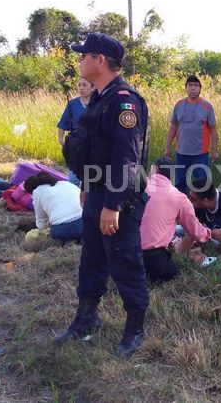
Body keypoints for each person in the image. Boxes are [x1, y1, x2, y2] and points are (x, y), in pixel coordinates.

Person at [55, 33, 151, 357]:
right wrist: (85, 184)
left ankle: (135, 328)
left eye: (84, 55)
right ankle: (86, 320)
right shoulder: (98, 98)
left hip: (120, 199)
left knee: (125, 260)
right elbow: (92, 149)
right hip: (97, 193)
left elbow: (127, 158)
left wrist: (112, 206)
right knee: (91, 258)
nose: (79, 60)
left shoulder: (125, 101)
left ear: (99, 60)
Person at [139, 156, 221, 283]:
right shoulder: (179, 198)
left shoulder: (135, 187)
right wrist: (210, 233)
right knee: (176, 274)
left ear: (155, 169)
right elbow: (195, 231)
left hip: (125, 252)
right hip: (153, 258)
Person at [163, 75, 219, 192]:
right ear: (186, 88)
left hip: (200, 153)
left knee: (202, 184)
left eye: (196, 85)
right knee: (179, 183)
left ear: (200, 88)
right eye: (190, 85)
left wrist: (215, 150)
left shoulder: (207, 106)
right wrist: (167, 148)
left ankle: (202, 208)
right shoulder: (179, 105)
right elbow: (173, 126)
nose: (193, 88)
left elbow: (213, 128)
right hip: (181, 152)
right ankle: (182, 207)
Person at [23, 171, 83, 241]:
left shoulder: (37, 192)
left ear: (31, 190)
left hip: (62, 230)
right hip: (85, 223)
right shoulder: (66, 183)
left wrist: (42, 229)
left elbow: (42, 221)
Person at [57, 77, 95, 185]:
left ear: (93, 88)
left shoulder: (98, 104)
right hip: (76, 147)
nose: (81, 88)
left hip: (94, 149)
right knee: (73, 180)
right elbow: (62, 124)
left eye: (84, 85)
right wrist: (62, 141)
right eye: (79, 85)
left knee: (91, 182)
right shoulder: (73, 104)